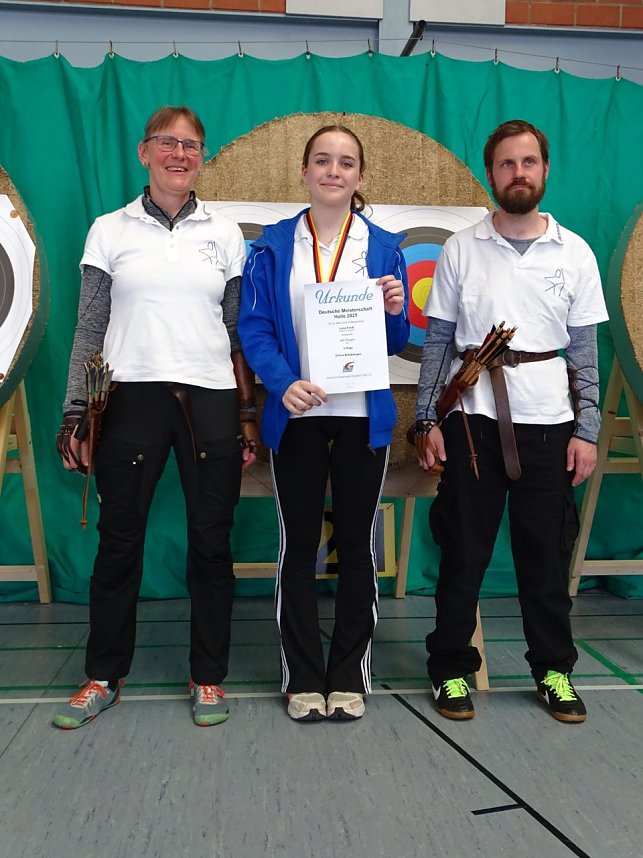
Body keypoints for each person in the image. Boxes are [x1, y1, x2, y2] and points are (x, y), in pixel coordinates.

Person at [54, 105, 259, 729]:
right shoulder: (108, 230)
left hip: (212, 399)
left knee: (210, 544)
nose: (179, 154)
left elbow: (236, 334)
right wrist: (74, 413)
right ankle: (102, 674)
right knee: (119, 544)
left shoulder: (226, 235)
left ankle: (209, 679)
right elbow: (90, 324)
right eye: (166, 143)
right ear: (144, 153)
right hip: (129, 398)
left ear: (202, 156)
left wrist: (248, 417)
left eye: (191, 145)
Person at [414, 119, 608, 724]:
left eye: (528, 162)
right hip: (472, 424)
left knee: (544, 556)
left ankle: (554, 669)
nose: (517, 173)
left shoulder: (573, 252)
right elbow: (439, 344)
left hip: (549, 423)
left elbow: (583, 353)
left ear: (545, 171)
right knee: (463, 552)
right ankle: (450, 668)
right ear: (491, 172)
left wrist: (588, 428)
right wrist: (426, 420)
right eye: (506, 164)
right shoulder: (461, 248)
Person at [238, 125, 409, 722]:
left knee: (359, 547)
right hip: (299, 418)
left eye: (346, 163)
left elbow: (396, 340)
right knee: (299, 547)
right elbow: (253, 329)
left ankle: (350, 674)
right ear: (305, 172)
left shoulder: (386, 246)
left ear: (360, 177)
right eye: (322, 160)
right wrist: (283, 384)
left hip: (362, 418)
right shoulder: (272, 244)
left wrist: (393, 310)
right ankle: (303, 674)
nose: (333, 171)